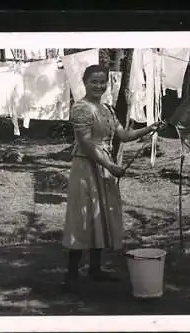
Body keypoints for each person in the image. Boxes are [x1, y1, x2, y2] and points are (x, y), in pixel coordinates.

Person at [62, 64, 162, 289]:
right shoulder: (81, 108)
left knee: (102, 213)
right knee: (83, 215)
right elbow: (86, 143)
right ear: (85, 83)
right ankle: (71, 275)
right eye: (93, 81)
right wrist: (110, 164)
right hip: (86, 165)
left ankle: (95, 270)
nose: (98, 85)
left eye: (102, 81)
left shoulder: (107, 109)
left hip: (104, 165)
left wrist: (149, 128)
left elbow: (124, 135)